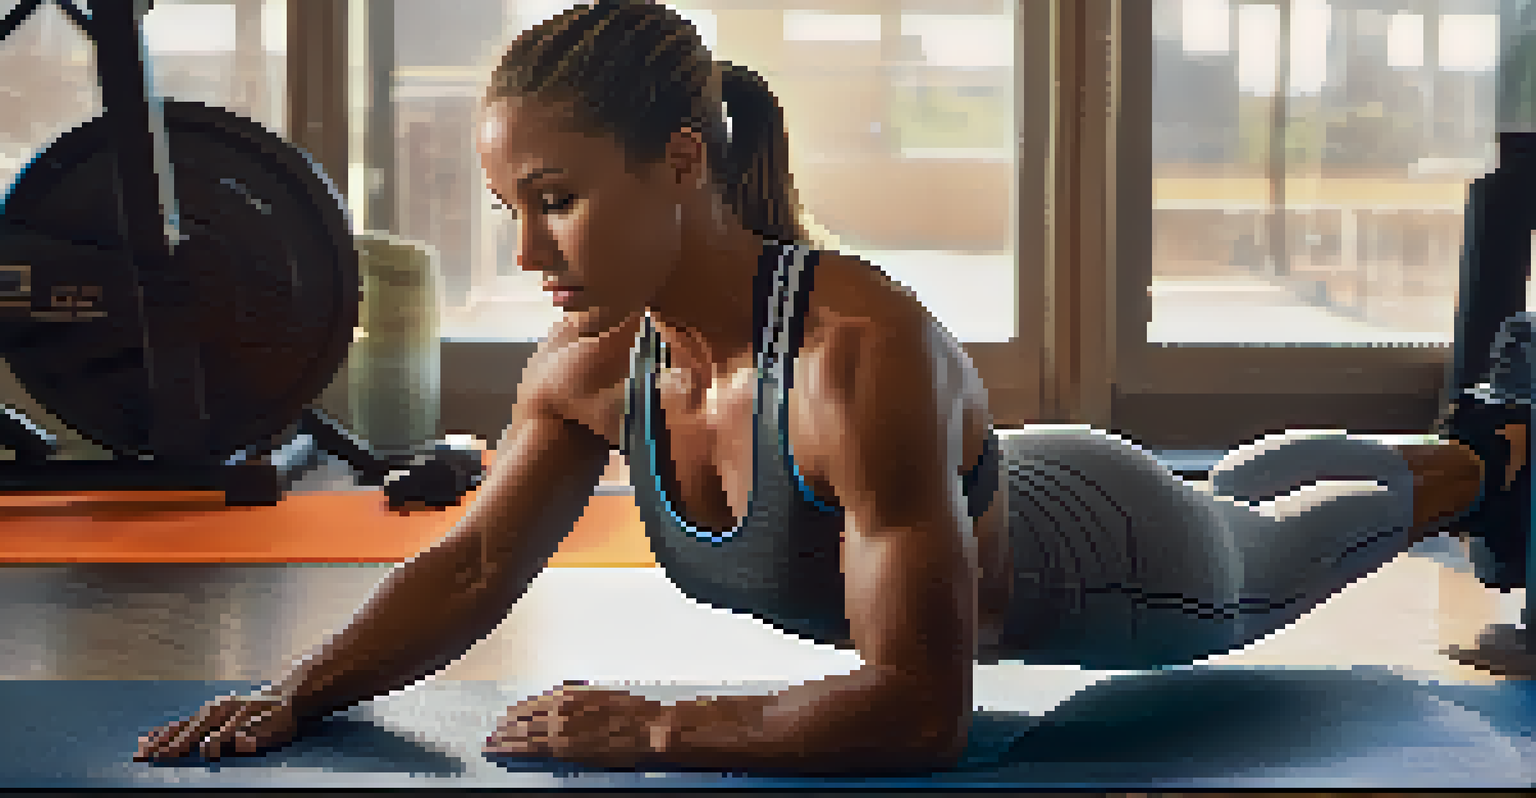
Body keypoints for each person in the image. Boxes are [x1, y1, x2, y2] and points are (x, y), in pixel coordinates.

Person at [134, 0, 1528, 775]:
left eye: (554, 201)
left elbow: (924, 707)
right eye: (508, 203)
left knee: (1274, 534)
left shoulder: (856, 354)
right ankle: (1481, 441)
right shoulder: (586, 372)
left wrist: (659, 726)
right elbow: (480, 556)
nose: (521, 249)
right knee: (1240, 477)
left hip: (1125, 561)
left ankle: (1494, 461)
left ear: (680, 164)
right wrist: (297, 689)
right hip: (1026, 466)